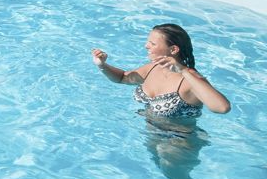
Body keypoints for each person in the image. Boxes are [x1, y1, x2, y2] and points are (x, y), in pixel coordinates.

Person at [91, 23, 231, 118]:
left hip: (178, 145)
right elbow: (122, 78)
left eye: (152, 43)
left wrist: (182, 70)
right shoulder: (152, 68)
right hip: (150, 136)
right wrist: (102, 65)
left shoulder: (190, 79)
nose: (146, 46)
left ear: (173, 49)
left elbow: (222, 108)